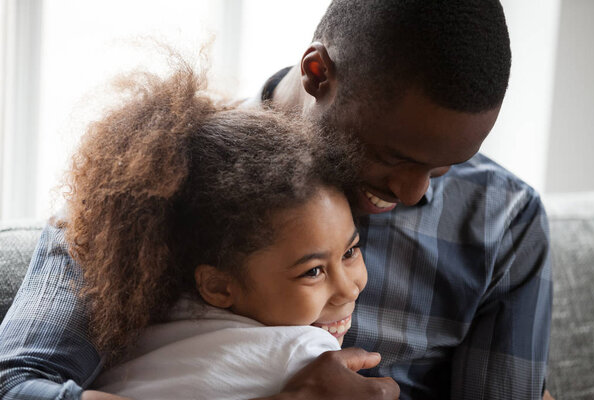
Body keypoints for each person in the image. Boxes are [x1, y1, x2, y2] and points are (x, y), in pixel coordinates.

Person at [0, 1, 551, 399]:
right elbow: (15, 384)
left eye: (441, 168)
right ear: (318, 73)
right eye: (394, 156)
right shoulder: (151, 183)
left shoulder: (503, 219)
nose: (414, 193)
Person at [55, 62, 370, 399]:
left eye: (350, 252)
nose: (348, 288)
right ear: (218, 286)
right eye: (314, 271)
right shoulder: (306, 354)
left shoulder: (146, 325)